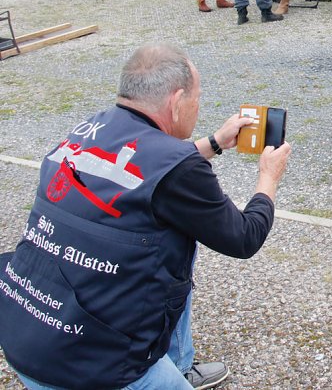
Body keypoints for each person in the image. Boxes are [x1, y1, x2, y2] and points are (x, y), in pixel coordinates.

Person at [0, 43, 292, 390]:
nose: (198, 107)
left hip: (23, 328)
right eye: (197, 98)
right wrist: (268, 178)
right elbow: (244, 238)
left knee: (171, 240)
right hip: (93, 365)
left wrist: (214, 142)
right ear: (176, 100)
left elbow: (137, 171)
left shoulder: (89, 128)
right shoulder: (180, 167)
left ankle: (177, 363)